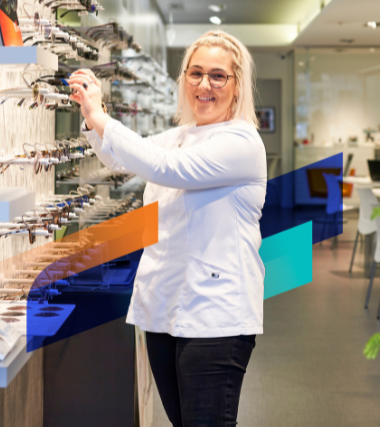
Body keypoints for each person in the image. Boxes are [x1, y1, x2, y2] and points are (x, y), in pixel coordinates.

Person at [68, 30, 266, 427]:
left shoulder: (242, 143)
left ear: (237, 85)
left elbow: (165, 169)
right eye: (195, 74)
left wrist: (103, 117)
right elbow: (121, 160)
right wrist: (91, 115)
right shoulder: (180, 136)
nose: (204, 85)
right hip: (165, 311)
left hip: (215, 318)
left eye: (217, 76)